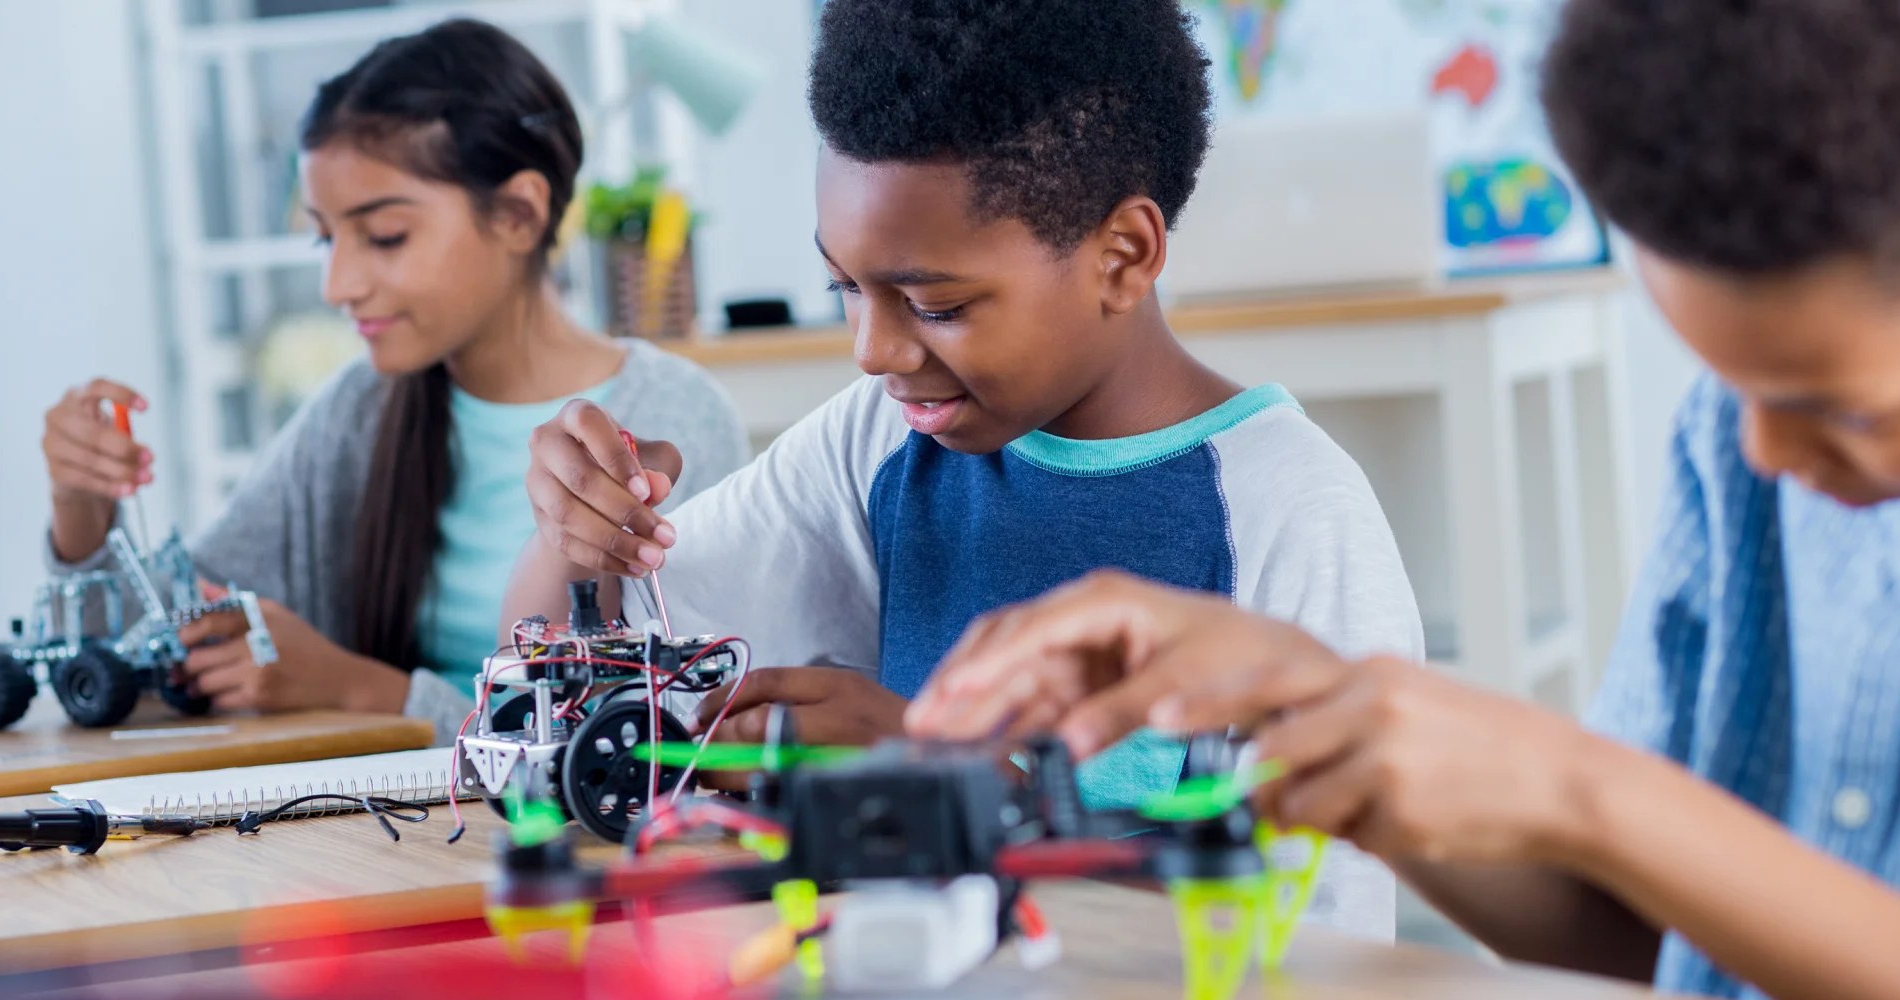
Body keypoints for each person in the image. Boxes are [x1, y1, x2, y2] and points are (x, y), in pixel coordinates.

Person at [907, 1, 1900, 1000]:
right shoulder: (1742, 453)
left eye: (1838, 409)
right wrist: (1335, 726)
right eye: (1733, 384)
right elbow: (1667, 967)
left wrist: (1590, 794)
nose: (1761, 449)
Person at [503, 0, 1422, 941]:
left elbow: (1322, 957)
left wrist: (964, 788)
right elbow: (577, 667)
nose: (871, 349)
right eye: (846, 288)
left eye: (934, 304)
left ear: (1124, 254)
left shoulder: (1288, 513)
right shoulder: (877, 441)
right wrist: (585, 531)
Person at [39, 19, 746, 741]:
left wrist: (360, 690)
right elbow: (142, 645)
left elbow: (680, 728)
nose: (337, 283)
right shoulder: (360, 413)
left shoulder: (672, 420)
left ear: (518, 213)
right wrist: (81, 508)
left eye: (384, 237)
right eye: (325, 236)